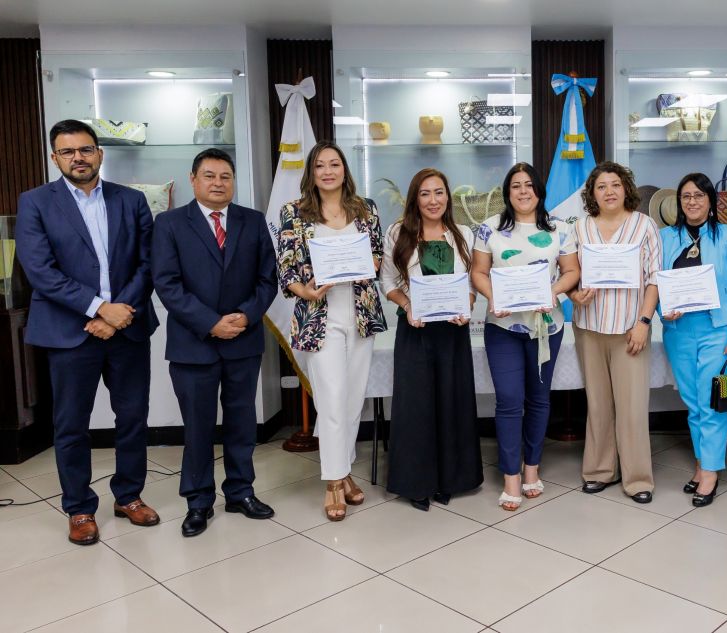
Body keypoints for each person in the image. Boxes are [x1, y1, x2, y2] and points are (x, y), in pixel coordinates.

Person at [15, 119, 160, 545]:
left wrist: (118, 312)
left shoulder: (131, 200)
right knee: (71, 424)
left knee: (132, 418)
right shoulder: (35, 202)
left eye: (85, 149)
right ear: (54, 157)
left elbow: (149, 262)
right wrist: (99, 309)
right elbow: (40, 271)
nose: (78, 158)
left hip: (127, 328)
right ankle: (79, 508)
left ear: (99, 153)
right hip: (70, 331)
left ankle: (129, 496)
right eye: (67, 151)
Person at [152, 148, 278, 537]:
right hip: (194, 344)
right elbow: (166, 283)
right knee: (198, 427)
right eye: (209, 176)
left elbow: (267, 279)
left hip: (243, 339)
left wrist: (246, 316)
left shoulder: (253, 221)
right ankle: (198, 501)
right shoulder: (170, 223)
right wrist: (210, 323)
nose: (218, 183)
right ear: (193, 180)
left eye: (225, 176)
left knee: (242, 423)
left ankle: (240, 492)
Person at [278, 141, 387, 521]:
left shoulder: (365, 209)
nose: (327, 171)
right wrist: (306, 291)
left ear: (344, 170)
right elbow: (287, 268)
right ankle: (332, 483)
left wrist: (365, 264)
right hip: (319, 317)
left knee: (353, 400)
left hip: (360, 315)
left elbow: (378, 254)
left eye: (334, 164)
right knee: (331, 399)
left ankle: (344, 472)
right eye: (320, 165)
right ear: (311, 172)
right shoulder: (294, 212)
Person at [470, 163, 580, 511]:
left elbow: (571, 271)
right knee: (508, 399)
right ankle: (510, 477)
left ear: (539, 191)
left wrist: (553, 292)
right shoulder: (489, 228)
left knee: (538, 399)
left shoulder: (561, 228)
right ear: (507, 192)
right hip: (503, 327)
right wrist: (494, 296)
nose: (522, 191)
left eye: (529, 185)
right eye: (515, 185)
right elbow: (478, 272)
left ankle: (532, 467)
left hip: (547, 327)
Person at [381, 168, 483, 510]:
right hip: (415, 329)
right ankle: (417, 483)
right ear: (415, 198)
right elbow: (388, 282)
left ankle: (451, 480)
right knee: (416, 405)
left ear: (447, 197)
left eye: (439, 192)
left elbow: (472, 284)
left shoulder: (463, 234)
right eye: (425, 193)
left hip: (453, 331)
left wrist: (467, 305)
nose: (433, 200)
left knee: (453, 402)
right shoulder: (398, 232)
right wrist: (407, 305)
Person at [570, 161, 662, 504]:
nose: (609, 191)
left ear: (626, 189)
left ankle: (637, 479)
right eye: (601, 186)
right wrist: (573, 294)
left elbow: (654, 278)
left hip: (630, 330)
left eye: (615, 185)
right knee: (598, 405)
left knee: (632, 407)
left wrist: (643, 322)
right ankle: (599, 471)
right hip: (589, 328)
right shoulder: (580, 228)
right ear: (592, 194)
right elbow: (568, 273)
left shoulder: (644, 225)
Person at [659, 173, 727, 507]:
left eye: (699, 195)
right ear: (678, 202)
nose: (692, 201)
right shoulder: (665, 237)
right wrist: (663, 312)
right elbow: (655, 282)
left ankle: (710, 472)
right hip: (678, 331)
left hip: (718, 330)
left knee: (711, 403)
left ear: (710, 201)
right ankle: (701, 463)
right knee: (693, 402)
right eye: (686, 196)